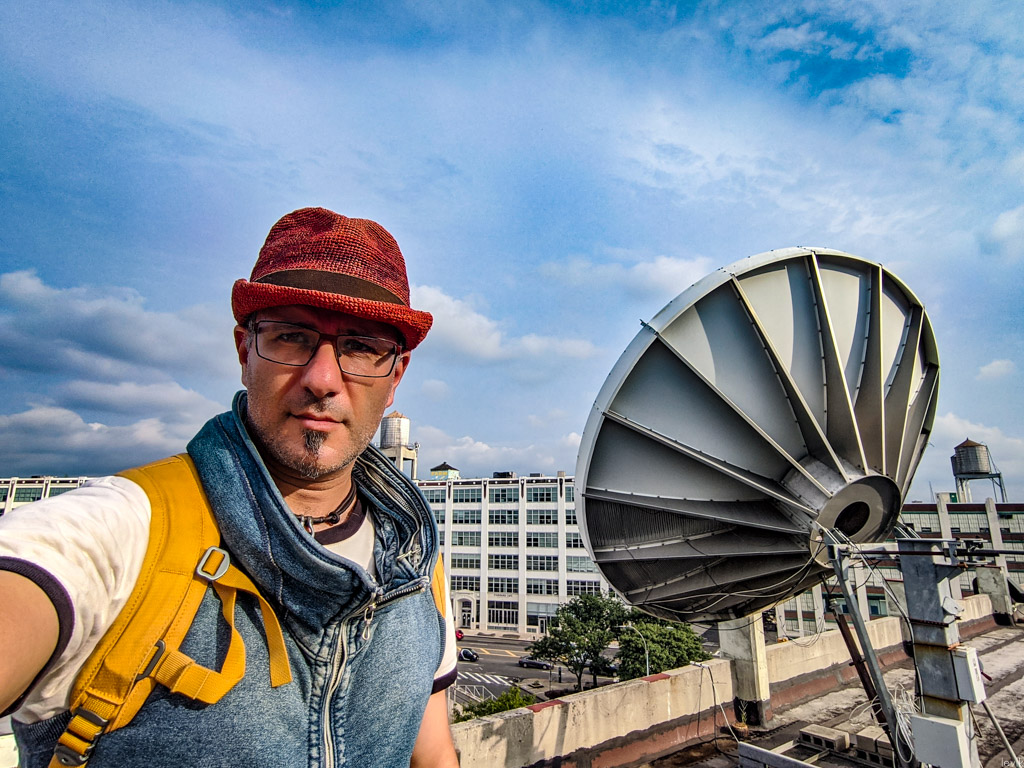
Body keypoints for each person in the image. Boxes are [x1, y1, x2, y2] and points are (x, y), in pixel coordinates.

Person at [0, 207, 460, 767]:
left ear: (395, 378)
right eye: (291, 337)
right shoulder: (127, 532)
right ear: (245, 354)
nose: (322, 379)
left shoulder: (415, 560)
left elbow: (432, 753)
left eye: (362, 347)